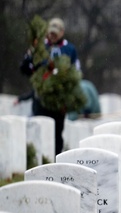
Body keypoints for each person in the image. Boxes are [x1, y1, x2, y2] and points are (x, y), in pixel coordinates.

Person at [19, 17, 80, 154]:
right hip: (40, 98)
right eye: (50, 33)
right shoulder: (40, 47)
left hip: (58, 101)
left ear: (62, 32)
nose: (52, 36)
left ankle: (56, 161)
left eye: (55, 33)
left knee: (57, 134)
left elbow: (76, 73)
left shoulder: (69, 49)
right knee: (38, 130)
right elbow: (24, 69)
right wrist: (31, 53)